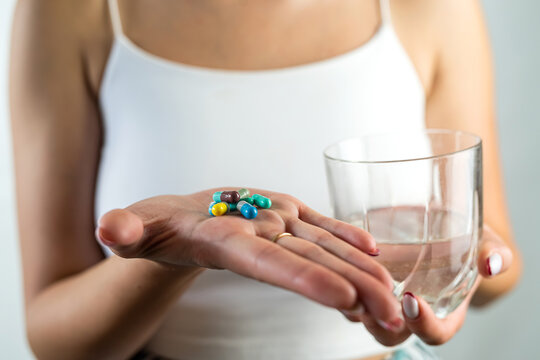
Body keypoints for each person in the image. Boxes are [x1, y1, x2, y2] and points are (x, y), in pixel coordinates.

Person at [9, 0, 522, 359]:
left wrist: (458, 269)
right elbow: (54, 336)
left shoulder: (434, 7)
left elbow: (498, 263)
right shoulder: (70, 10)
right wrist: (171, 252)